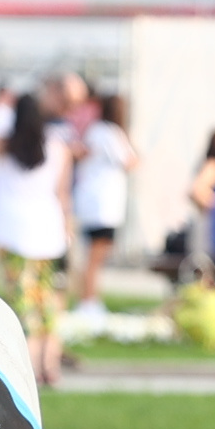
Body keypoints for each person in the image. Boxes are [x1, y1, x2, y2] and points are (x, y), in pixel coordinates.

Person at [0, 91, 71, 385]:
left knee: (23, 302)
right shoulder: (58, 147)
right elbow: (62, 195)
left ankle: (29, 366)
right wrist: (68, 230)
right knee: (48, 300)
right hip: (49, 233)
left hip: (13, 233)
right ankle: (49, 363)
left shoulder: (6, 145)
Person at [71, 94, 138, 315]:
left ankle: (90, 298)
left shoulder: (98, 131)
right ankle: (88, 301)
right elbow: (128, 161)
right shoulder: (109, 132)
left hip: (94, 203)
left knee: (94, 255)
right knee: (96, 255)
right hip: (102, 205)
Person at [184, 128, 215, 264]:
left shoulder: (207, 163)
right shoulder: (214, 165)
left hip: (205, 222)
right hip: (208, 224)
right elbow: (196, 191)